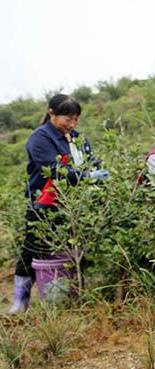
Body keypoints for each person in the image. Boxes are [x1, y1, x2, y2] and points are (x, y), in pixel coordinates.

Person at [9, 94, 108, 314]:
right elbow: (55, 171)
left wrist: (100, 171)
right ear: (51, 113)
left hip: (72, 205)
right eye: (67, 119)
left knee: (72, 248)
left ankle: (68, 294)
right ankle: (20, 299)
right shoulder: (40, 138)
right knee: (32, 247)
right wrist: (88, 176)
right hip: (44, 203)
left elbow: (92, 160)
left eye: (75, 119)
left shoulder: (77, 138)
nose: (71, 124)